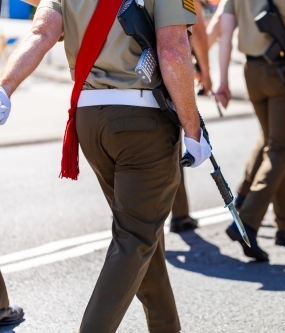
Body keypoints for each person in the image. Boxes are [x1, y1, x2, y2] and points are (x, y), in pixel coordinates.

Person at [0, 1, 211, 332]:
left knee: (139, 235)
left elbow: (41, 34)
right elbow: (173, 52)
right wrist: (194, 130)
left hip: (90, 120)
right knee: (135, 237)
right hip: (141, 121)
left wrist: (5, 86)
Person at [216, 0, 285, 260]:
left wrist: (223, 81)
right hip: (282, 73)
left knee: (274, 145)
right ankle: (247, 223)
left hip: (252, 72)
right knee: (279, 150)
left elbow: (225, 30)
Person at [170, 0, 214, 233]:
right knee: (170, 146)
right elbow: (195, 27)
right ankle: (178, 214)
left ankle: (176, 213)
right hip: (161, 72)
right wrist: (205, 70)